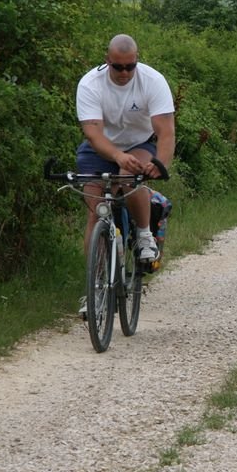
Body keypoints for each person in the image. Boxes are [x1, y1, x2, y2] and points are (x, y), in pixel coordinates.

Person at [76, 34, 175, 311]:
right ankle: (95, 289)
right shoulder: (90, 84)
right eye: (117, 67)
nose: (124, 73)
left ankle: (144, 235)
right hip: (100, 148)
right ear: (107, 61)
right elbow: (93, 134)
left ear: (136, 61)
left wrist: (160, 163)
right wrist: (118, 155)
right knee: (96, 212)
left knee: (128, 176)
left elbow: (166, 131)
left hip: (139, 143)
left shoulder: (152, 81)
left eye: (129, 67)